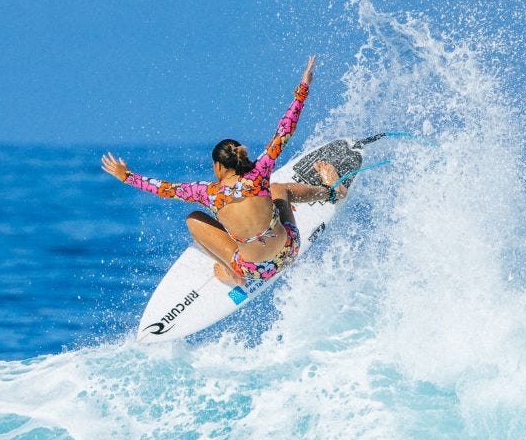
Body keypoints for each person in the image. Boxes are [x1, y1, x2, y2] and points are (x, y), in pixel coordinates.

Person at [100, 56, 345, 287]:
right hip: (288, 250)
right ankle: (331, 193)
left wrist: (127, 176)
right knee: (278, 189)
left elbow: (163, 189)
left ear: (218, 166)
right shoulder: (259, 173)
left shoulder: (208, 193)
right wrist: (303, 86)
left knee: (193, 220)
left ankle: (233, 274)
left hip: (256, 270)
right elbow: (285, 130)